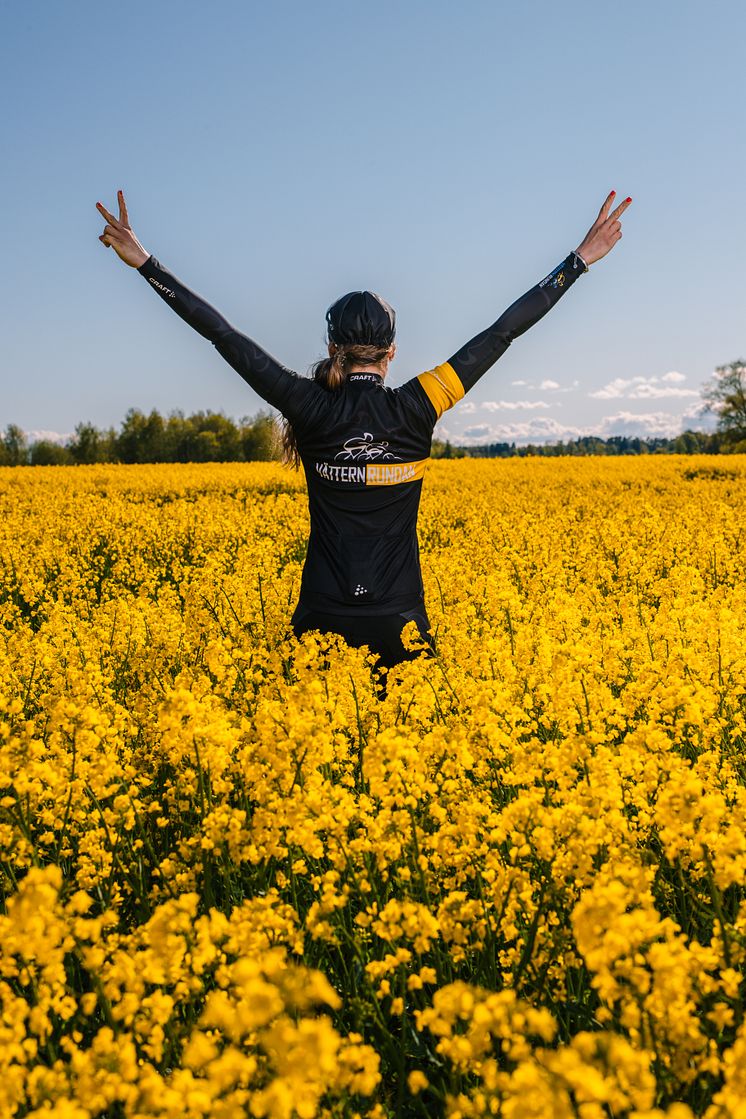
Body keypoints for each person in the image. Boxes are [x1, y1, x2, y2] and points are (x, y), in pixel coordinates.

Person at [96, 189, 631, 672]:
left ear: (333, 349)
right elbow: (503, 332)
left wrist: (145, 262)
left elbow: (221, 334)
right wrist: (579, 262)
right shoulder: (422, 403)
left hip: (322, 617)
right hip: (400, 617)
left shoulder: (305, 405)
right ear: (392, 353)